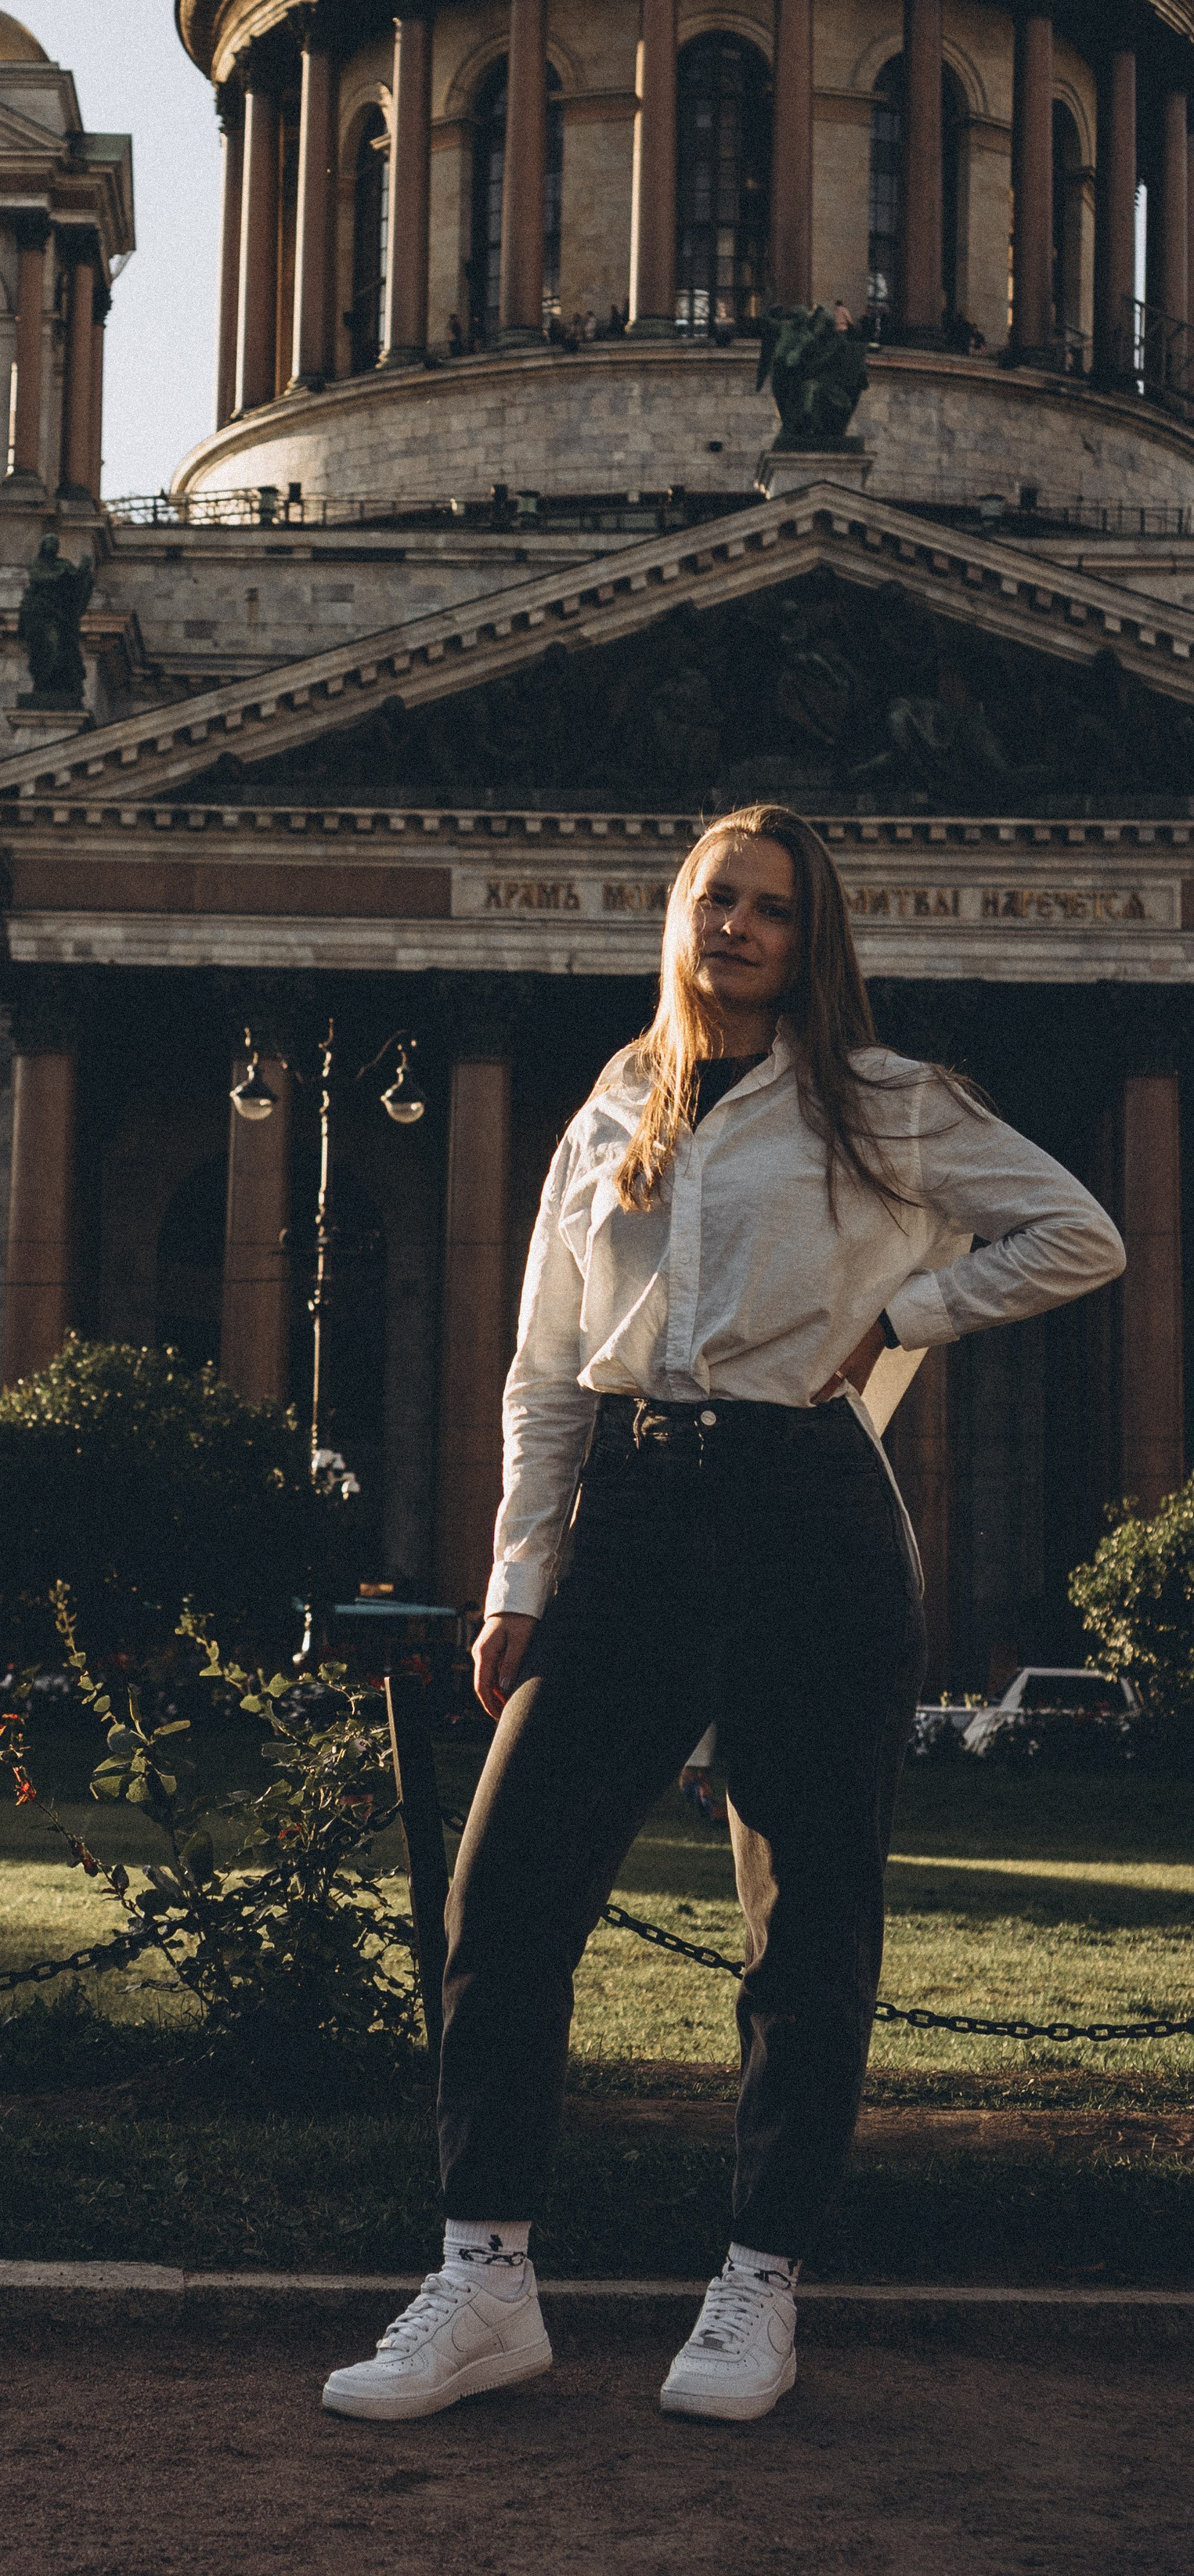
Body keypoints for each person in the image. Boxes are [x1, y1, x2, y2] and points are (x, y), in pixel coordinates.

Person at [323, 803, 1123, 2429]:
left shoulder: (886, 1103)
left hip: (810, 1515)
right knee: (502, 1897)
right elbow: (548, 1369)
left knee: (805, 1919)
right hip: (629, 1515)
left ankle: (760, 2281)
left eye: (768, 908)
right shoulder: (613, 1105)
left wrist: (904, 1315)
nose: (736, 927)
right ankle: (485, 2283)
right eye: (714, 900)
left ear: (810, 940)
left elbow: (1079, 1236)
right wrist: (517, 1579)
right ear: (678, 919)